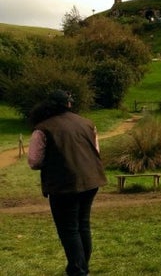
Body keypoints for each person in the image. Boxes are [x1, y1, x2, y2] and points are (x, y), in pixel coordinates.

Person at [27, 89, 107, 276]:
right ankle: (79, 268)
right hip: (91, 180)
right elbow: (96, 150)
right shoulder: (87, 123)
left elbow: (34, 161)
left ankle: (78, 271)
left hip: (63, 184)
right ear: (68, 104)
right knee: (83, 225)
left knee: (69, 230)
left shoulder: (43, 128)